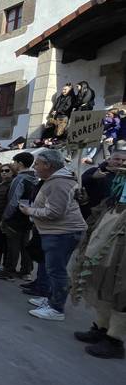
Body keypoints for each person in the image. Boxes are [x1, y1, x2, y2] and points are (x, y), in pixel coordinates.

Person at [70, 146, 126, 358]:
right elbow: (90, 206)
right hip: (104, 243)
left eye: (124, 161)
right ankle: (101, 328)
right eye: (117, 160)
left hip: (120, 250)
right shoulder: (102, 181)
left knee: (119, 291)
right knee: (101, 286)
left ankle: (115, 339)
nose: (121, 164)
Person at [19, 150, 86, 320]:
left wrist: (30, 211)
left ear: (48, 165)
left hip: (62, 233)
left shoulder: (59, 182)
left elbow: (55, 212)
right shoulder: (56, 180)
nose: (34, 167)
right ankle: (51, 299)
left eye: (37, 163)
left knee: (56, 271)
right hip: (59, 232)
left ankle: (56, 308)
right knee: (53, 269)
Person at [0, 151, 37, 281]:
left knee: (13, 245)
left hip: (16, 217)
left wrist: (5, 218)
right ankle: (25, 270)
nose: (13, 165)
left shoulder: (20, 179)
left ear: (20, 164)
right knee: (24, 245)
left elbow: (13, 201)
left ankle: (9, 270)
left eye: (14, 162)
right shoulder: (35, 178)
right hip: (28, 216)